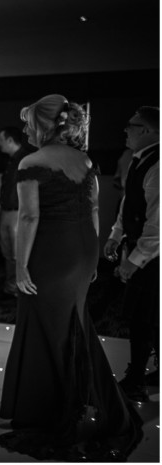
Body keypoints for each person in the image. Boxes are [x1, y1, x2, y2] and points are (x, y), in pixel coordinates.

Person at [0, 94, 142, 461]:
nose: (27, 127)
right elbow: (94, 209)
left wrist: (19, 265)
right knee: (71, 324)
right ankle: (71, 400)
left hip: (50, 252)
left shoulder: (32, 161)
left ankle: (48, 410)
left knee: (46, 325)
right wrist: (92, 256)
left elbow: (29, 218)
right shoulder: (85, 159)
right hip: (80, 251)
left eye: (30, 121)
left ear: (44, 124)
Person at [104, 106, 159, 402]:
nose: (125, 130)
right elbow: (130, 202)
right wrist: (116, 234)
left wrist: (133, 262)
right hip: (140, 247)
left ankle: (137, 379)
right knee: (151, 314)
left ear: (148, 130)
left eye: (131, 125)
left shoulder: (159, 164)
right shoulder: (140, 159)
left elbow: (158, 223)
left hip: (154, 256)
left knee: (143, 316)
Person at [0, 126, 33, 296]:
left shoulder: (25, 160)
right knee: (8, 252)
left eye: (1, 139)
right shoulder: (12, 160)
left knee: (18, 252)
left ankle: (20, 286)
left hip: (18, 212)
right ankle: (12, 285)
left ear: (10, 140)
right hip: (6, 211)